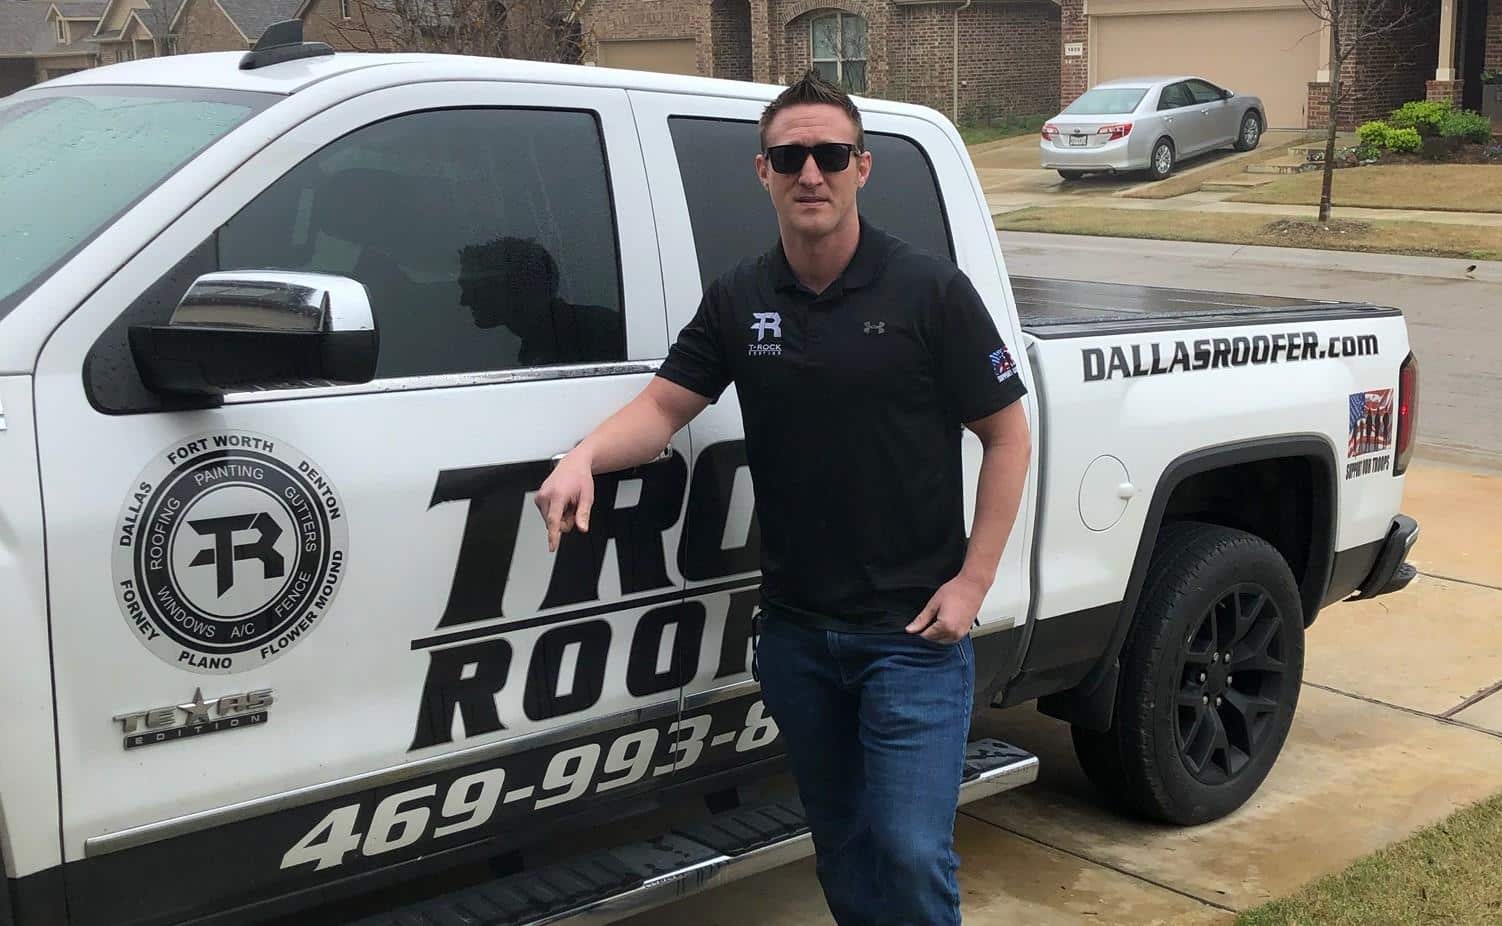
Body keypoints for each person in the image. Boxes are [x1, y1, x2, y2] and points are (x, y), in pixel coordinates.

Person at [534, 70, 1031, 925]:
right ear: (762, 171)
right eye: (789, 155)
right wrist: (583, 456)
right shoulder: (740, 297)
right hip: (798, 636)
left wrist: (975, 581)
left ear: (862, 168)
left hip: (911, 637)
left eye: (829, 154)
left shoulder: (929, 292)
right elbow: (662, 407)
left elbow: (1007, 434)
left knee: (910, 852)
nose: (811, 173)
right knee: (840, 846)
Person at [456, 235, 624, 367]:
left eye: (474, 290)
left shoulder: (600, 336)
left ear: (512, 289)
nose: (464, 300)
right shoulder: (542, 344)